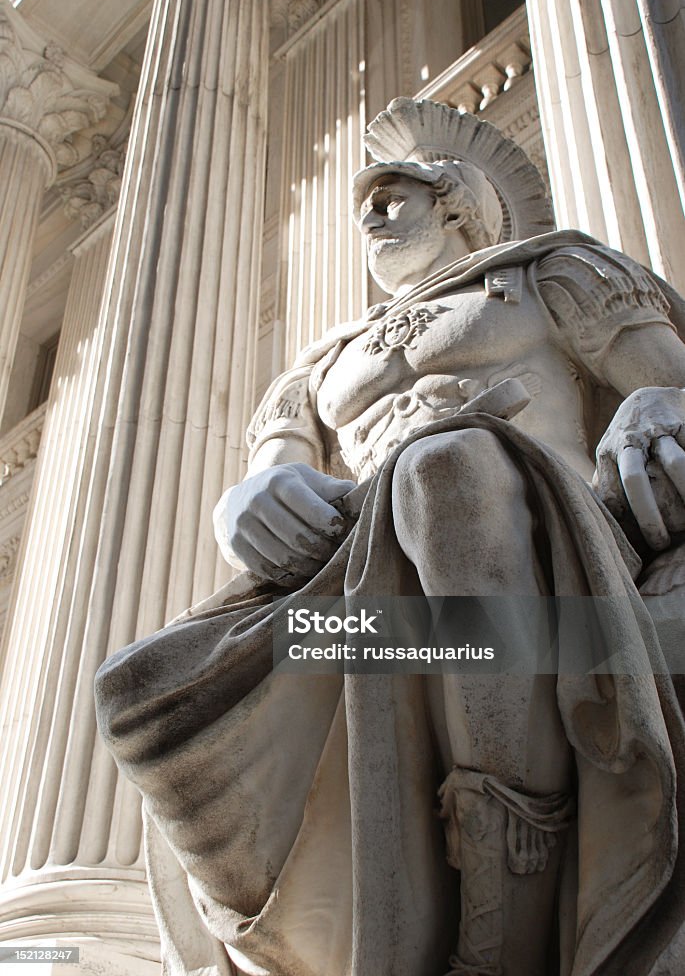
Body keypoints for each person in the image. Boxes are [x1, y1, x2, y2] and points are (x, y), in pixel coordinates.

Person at [96, 99, 685, 976]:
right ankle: (314, 935)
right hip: (366, 623)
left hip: (565, 584)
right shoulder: (324, 363)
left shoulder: (548, 274)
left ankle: (501, 904)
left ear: (456, 203)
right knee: (139, 686)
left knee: (445, 465)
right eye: (366, 202)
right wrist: (250, 503)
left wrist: (650, 405)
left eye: (392, 195)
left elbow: (669, 390)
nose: (369, 214)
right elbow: (269, 468)